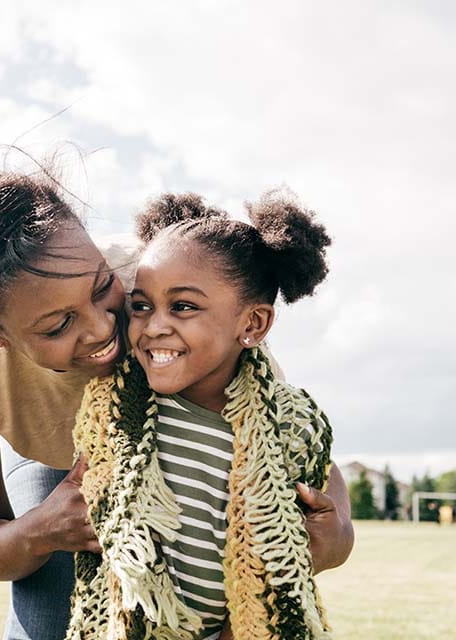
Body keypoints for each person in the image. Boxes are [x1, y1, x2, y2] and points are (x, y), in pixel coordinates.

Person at [0, 162, 353, 640]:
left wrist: (336, 535)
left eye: (105, 291)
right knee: (46, 621)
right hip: (57, 464)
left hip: (174, 472)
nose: (105, 330)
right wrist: (41, 528)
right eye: (57, 325)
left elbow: (279, 445)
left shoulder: (163, 281)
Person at [68, 191, 351, 639]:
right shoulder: (120, 411)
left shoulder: (282, 422)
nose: (155, 325)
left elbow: (323, 485)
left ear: (252, 325)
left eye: (183, 306)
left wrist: (341, 534)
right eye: (142, 306)